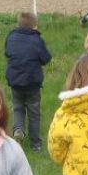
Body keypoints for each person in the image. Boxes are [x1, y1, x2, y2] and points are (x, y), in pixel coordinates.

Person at [5, 12, 52, 152]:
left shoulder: (11, 37)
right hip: (32, 82)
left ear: (18, 24)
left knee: (18, 107)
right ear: (34, 25)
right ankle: (35, 144)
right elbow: (46, 58)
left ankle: (18, 130)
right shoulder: (37, 40)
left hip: (15, 81)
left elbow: (7, 53)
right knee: (34, 112)